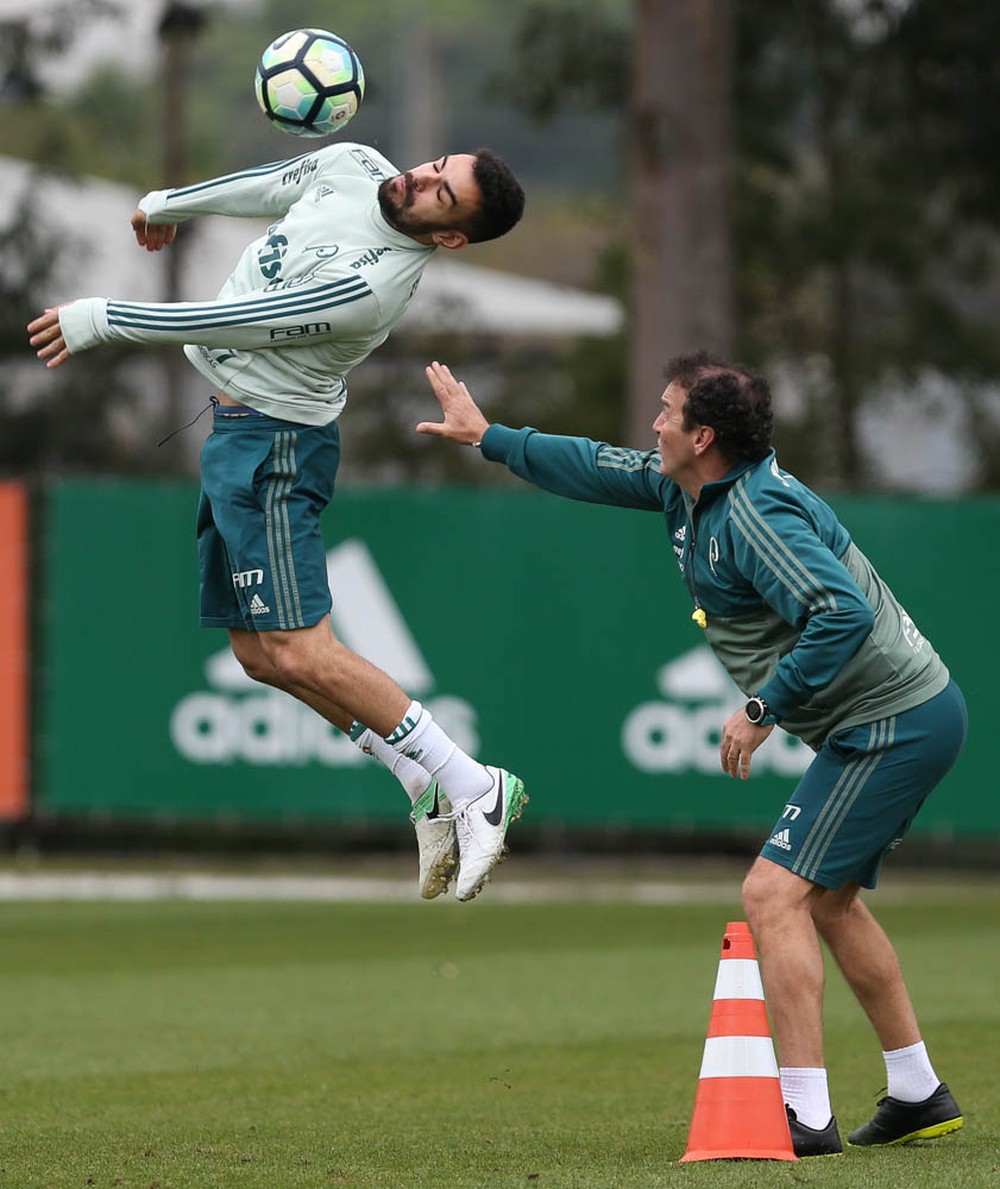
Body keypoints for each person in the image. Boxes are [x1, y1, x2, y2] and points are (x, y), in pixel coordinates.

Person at [418, 352, 967, 1155]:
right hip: (891, 718)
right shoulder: (693, 486)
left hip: (893, 722)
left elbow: (840, 614)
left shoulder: (755, 515)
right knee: (830, 900)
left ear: (703, 435)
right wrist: (490, 437)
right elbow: (599, 466)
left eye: (667, 411)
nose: (654, 423)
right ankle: (917, 1088)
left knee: (772, 895)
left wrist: (761, 708)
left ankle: (805, 1113)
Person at [27, 142, 529, 904]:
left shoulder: (371, 287)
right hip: (233, 438)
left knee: (303, 647)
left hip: (277, 447)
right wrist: (169, 203)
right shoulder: (357, 163)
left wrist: (106, 318)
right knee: (262, 656)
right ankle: (418, 779)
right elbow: (271, 185)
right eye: (435, 166)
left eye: (442, 195)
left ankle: (476, 782)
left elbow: (242, 320)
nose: (421, 178)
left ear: (449, 236)